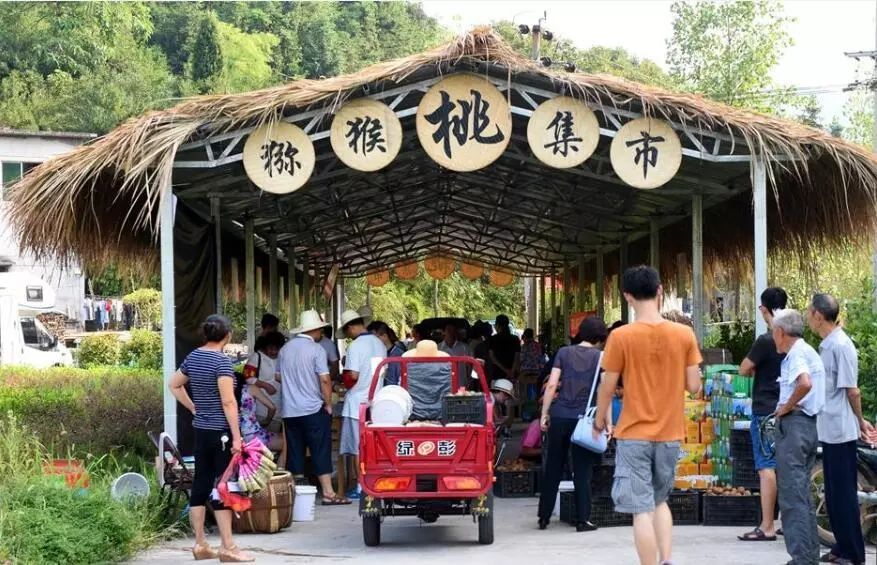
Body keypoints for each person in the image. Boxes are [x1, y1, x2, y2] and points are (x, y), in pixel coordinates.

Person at [594, 266, 702, 565]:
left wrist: (600, 419)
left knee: (641, 509)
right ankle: (666, 559)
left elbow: (607, 386)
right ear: (660, 291)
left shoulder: (621, 336)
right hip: (670, 433)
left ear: (627, 296)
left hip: (633, 433)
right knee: (660, 500)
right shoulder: (684, 334)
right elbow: (694, 386)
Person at [168, 315, 253, 563]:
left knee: (201, 484)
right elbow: (228, 402)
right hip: (221, 433)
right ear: (227, 335)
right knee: (222, 485)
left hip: (202, 431)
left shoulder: (193, 357)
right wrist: (237, 436)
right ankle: (228, 547)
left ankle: (200, 544)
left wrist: (193, 408)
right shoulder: (222, 362)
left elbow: (174, 384)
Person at [808, 294, 872, 565]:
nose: (808, 317)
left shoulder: (841, 346)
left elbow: (852, 390)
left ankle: (854, 553)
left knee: (844, 494)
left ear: (818, 315)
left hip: (842, 430)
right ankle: (841, 547)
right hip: (828, 427)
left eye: (809, 312)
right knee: (833, 492)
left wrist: (860, 421)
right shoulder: (827, 345)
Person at [537, 317, 608, 533]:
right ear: (600, 337)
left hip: (559, 416)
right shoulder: (601, 357)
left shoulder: (563, 352)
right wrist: (607, 422)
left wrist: (544, 413)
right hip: (583, 420)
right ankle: (582, 520)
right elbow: (604, 392)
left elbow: (551, 385)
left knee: (553, 467)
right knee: (582, 470)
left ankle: (544, 517)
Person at [278, 310, 349, 505]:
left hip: (290, 411)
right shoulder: (317, 350)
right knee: (320, 449)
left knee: (295, 451)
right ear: (315, 330)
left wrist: (295, 383)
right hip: (312, 409)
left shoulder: (285, 349)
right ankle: (328, 493)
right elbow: (325, 380)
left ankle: (296, 496)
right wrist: (328, 404)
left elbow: (278, 376)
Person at [772, 308, 825, 565]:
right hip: (806, 427)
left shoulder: (796, 354)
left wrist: (786, 407)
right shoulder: (806, 350)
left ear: (781, 332)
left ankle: (802, 558)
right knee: (801, 495)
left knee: (793, 496)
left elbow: (804, 383)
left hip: (795, 427)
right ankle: (808, 555)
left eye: (773, 331)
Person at [737, 287, 787, 543]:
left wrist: (757, 368)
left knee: (766, 467)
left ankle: (767, 525)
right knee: (786, 467)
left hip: (766, 409)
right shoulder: (795, 338)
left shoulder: (767, 340)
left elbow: (743, 369)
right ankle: (788, 522)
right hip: (789, 409)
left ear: (763, 310)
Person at [340, 309, 386, 499]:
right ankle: (374, 481)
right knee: (372, 446)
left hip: (357, 403)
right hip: (376, 401)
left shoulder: (355, 346)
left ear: (351, 327)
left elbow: (353, 375)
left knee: (358, 447)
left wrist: (342, 380)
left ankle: (361, 486)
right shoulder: (379, 343)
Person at [243, 331, 286, 428]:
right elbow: (248, 377)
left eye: (277, 349)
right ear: (265, 346)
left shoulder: (282, 358)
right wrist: (265, 385)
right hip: (261, 407)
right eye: (271, 348)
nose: (274, 352)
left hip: (279, 407)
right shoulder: (257, 357)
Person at [236, 370, 283, 452]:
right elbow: (272, 407)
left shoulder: (224, 394)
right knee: (288, 442)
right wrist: (267, 420)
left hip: (235, 436)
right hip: (253, 434)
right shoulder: (251, 388)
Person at [368, 320, 406, 386]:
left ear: (384, 336)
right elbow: (378, 379)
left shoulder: (399, 355)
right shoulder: (377, 354)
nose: (370, 342)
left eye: (374, 338)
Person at [488, 314, 520, 383]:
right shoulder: (515, 339)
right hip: (512, 376)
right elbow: (517, 357)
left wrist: (506, 370)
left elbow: (492, 358)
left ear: (497, 325)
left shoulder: (493, 339)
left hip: (497, 375)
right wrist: (511, 371)